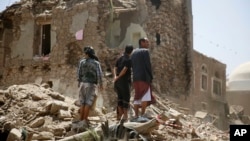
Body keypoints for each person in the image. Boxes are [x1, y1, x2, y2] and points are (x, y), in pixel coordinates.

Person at [77, 46, 103, 127]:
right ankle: (84, 121)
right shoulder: (96, 63)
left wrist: (79, 83)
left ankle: (81, 120)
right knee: (88, 103)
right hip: (91, 84)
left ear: (87, 54)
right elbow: (99, 75)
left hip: (82, 84)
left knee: (82, 102)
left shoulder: (82, 62)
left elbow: (79, 74)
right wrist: (101, 84)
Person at [130, 37, 155, 121]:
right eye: (146, 42)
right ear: (141, 42)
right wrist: (150, 77)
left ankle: (136, 115)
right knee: (145, 95)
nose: (148, 44)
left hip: (136, 77)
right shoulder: (145, 51)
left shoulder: (133, 52)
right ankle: (143, 114)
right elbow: (148, 65)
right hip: (144, 77)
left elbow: (132, 65)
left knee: (137, 96)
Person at [113, 45, 134, 121]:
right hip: (124, 82)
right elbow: (125, 70)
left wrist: (115, 77)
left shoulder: (119, 58)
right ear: (131, 51)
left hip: (118, 82)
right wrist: (118, 77)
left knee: (119, 98)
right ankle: (125, 117)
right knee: (126, 100)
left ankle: (120, 117)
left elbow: (115, 68)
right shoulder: (128, 59)